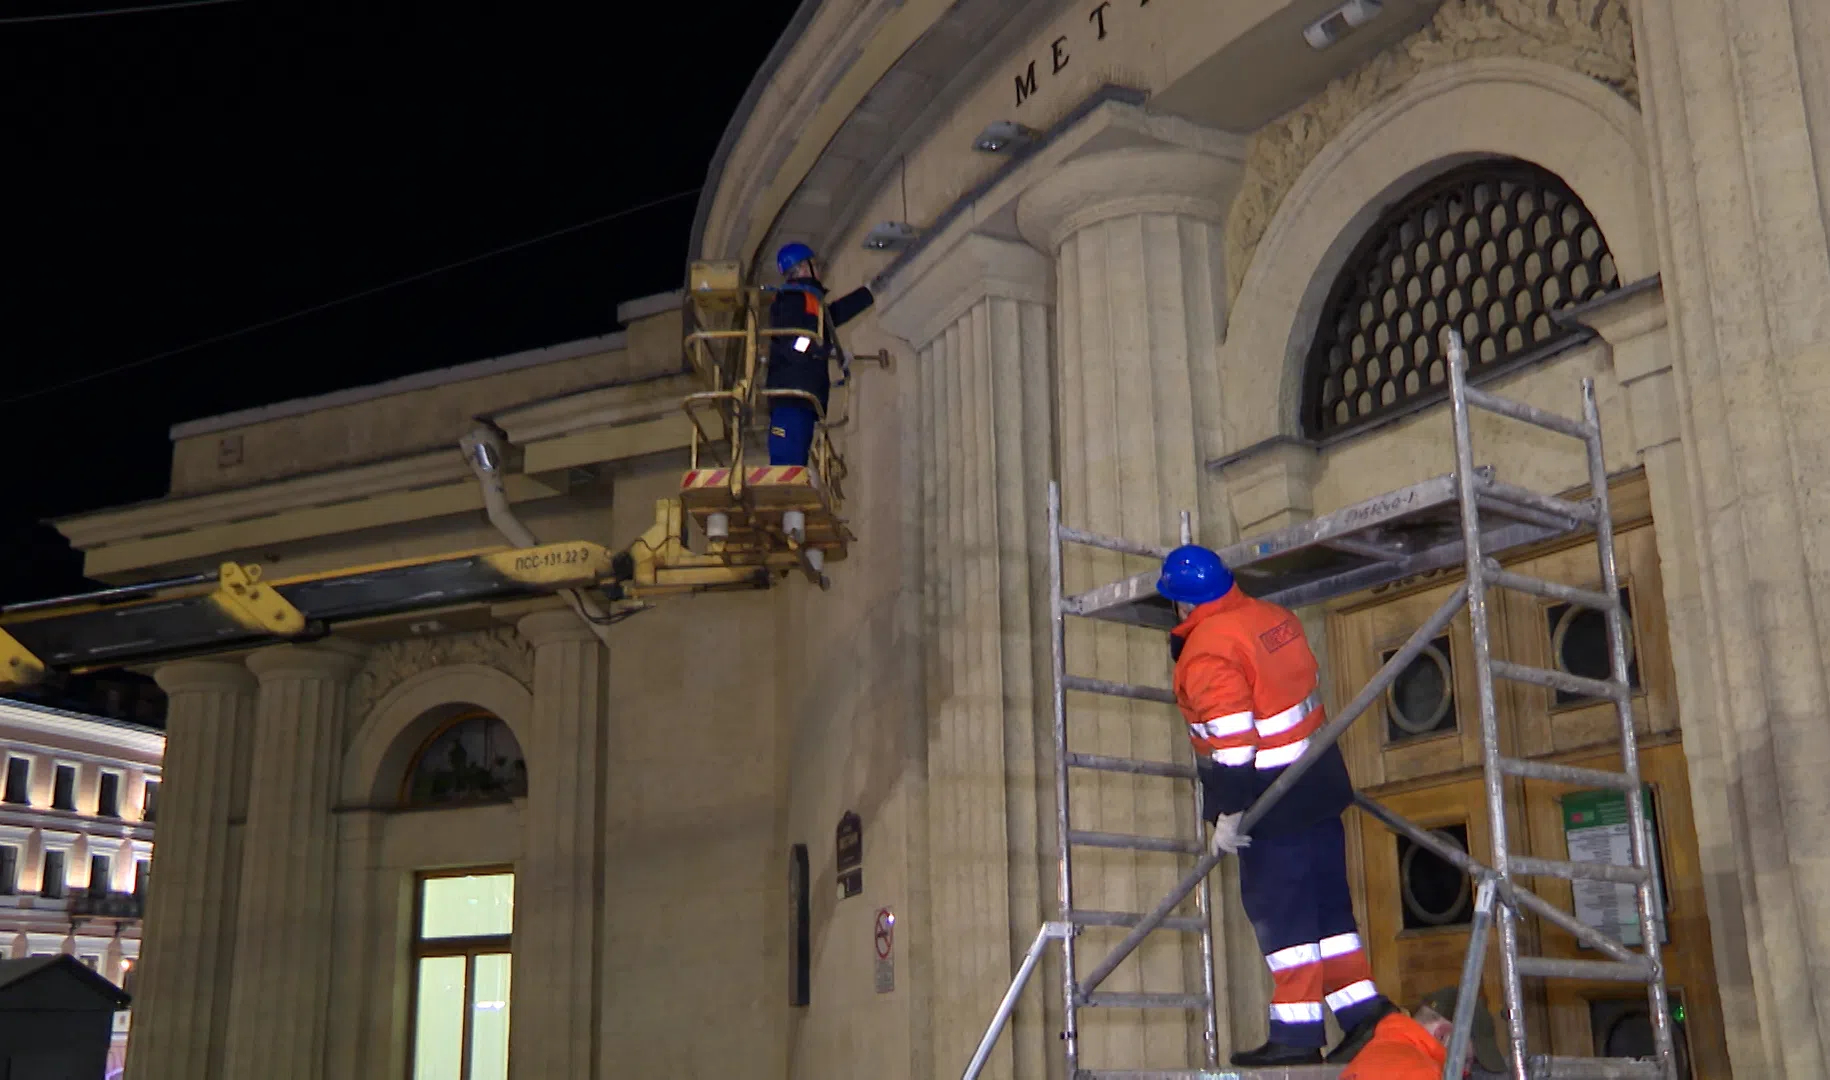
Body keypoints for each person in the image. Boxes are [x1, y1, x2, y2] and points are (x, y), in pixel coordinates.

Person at [1158, 544, 1395, 1067]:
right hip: (1318, 785)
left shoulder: (1208, 650)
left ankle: (1297, 1034)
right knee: (1329, 914)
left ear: (1180, 604)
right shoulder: (1273, 617)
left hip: (1271, 802)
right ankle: (1365, 1017)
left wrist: (1228, 812)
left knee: (1282, 919)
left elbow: (1235, 742)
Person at [764, 242, 875, 467]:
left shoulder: (808, 300)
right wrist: (826, 349)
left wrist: (868, 293)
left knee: (795, 464)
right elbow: (796, 341)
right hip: (792, 396)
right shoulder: (793, 298)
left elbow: (830, 319)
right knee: (787, 467)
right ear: (804, 268)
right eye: (814, 264)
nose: (819, 269)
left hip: (802, 397)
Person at [1340, 986, 1508, 1079]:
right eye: (1465, 1061)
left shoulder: (1367, 1057)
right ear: (1443, 1035)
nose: (1467, 1073)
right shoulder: (1420, 1073)